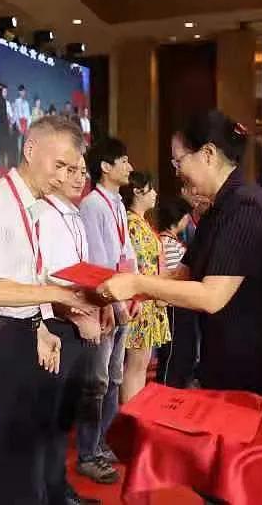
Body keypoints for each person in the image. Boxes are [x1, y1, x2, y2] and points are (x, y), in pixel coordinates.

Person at [97, 111, 262, 505]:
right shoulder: (217, 210)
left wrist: (137, 284)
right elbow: (184, 275)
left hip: (261, 368)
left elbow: (211, 296)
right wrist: (127, 290)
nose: (177, 172)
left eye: (178, 161)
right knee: (227, 478)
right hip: (229, 362)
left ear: (207, 154)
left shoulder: (246, 207)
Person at [0, 115, 97, 505]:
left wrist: (38, 325)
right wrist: (62, 295)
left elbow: (17, 280)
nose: (63, 176)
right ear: (30, 150)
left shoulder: (30, 208)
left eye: (71, 168)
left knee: (18, 453)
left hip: (16, 338)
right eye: (60, 165)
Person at [38, 152, 102, 504]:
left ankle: (59, 488)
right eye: (71, 170)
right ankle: (49, 493)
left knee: (65, 417)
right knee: (49, 419)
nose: (79, 178)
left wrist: (101, 305)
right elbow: (43, 279)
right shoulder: (44, 214)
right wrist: (78, 316)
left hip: (79, 323)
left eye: (82, 171)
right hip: (55, 327)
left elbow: (82, 273)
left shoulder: (75, 215)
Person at [76, 137, 137, 484]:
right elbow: (99, 262)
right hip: (105, 304)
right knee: (96, 382)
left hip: (121, 300)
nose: (130, 167)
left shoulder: (116, 204)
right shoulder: (93, 206)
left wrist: (134, 297)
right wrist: (114, 303)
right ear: (105, 167)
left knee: (113, 378)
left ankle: (104, 442)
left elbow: (126, 255)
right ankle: (88, 453)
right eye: (123, 161)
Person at [119, 171, 170, 402]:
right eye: (151, 189)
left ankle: (135, 411)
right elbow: (137, 265)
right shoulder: (131, 223)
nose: (155, 194)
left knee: (141, 364)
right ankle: (130, 414)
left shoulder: (141, 222)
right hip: (140, 301)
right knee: (135, 365)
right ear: (137, 192)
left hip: (150, 299)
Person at [155, 197, 199, 388]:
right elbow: (173, 276)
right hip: (174, 306)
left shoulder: (172, 241)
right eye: (186, 216)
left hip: (182, 304)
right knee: (173, 354)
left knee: (184, 351)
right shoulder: (166, 243)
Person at [13, 85, 32, 164]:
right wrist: (19, 126)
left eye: (24, 91)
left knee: (25, 146)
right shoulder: (17, 101)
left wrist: (28, 126)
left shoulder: (26, 103)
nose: (23, 93)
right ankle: (18, 163)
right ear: (19, 92)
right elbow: (16, 115)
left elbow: (28, 116)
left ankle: (24, 163)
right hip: (20, 124)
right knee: (19, 146)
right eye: (21, 91)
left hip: (25, 125)